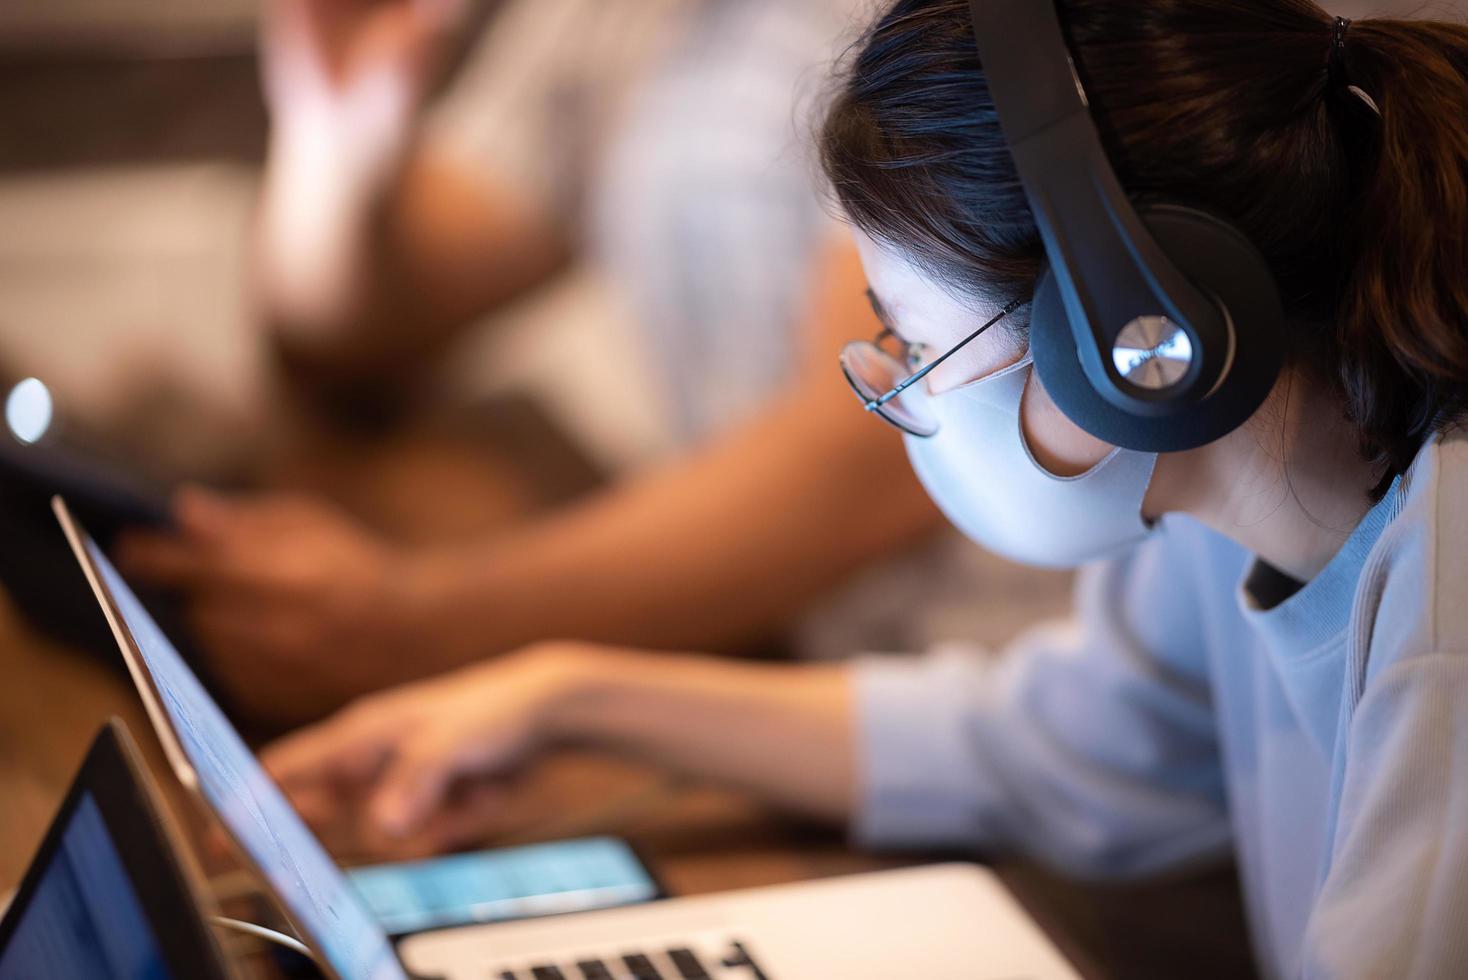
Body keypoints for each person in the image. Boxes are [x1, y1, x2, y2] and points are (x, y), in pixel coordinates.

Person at [261, 0, 1468, 974]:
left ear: (1138, 341)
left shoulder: (1444, 627)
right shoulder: (1235, 497)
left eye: (911, 344)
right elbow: (1046, 749)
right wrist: (573, 696)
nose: (901, 390)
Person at [117, 0, 987, 726]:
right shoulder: (631, 17)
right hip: (816, 684)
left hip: (997, 693)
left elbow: (879, 445)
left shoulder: (962, 33)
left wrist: (415, 627)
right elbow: (349, 341)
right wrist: (333, 134)